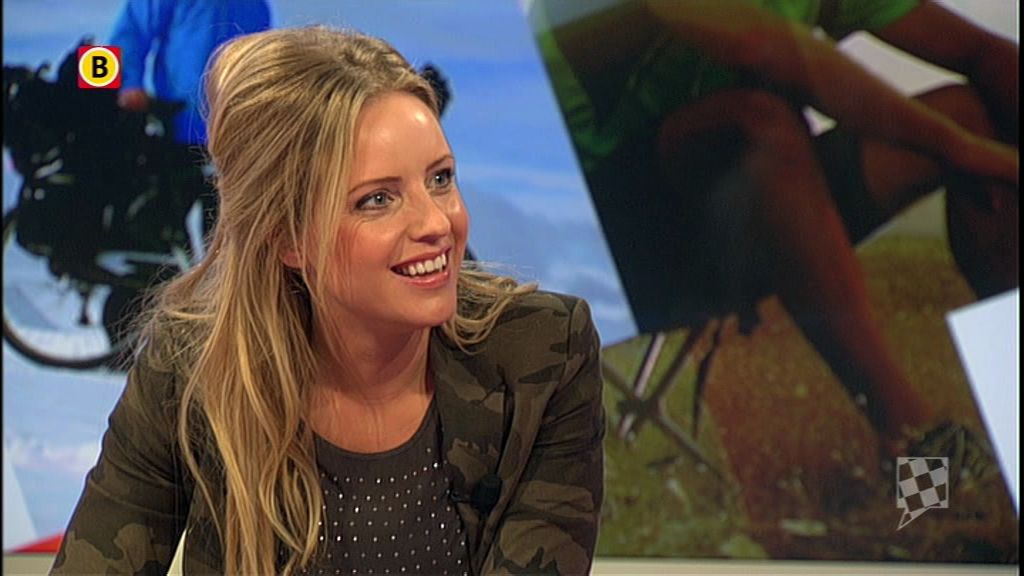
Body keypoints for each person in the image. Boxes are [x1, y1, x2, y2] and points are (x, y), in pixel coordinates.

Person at [51, 27, 604, 575]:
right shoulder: (190, 364)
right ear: (288, 237)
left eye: (440, 178)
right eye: (378, 199)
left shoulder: (543, 354)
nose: (437, 223)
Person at [533, 0, 1016, 463]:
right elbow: (760, 46)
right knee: (755, 126)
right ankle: (913, 442)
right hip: (592, 245)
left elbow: (980, 52)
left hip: (735, 222)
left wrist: (975, 144)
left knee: (972, 113)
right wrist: (961, 150)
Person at [110, 0, 272, 145]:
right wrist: (129, 84)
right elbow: (131, 32)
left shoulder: (257, 5)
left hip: (241, 132)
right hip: (178, 124)